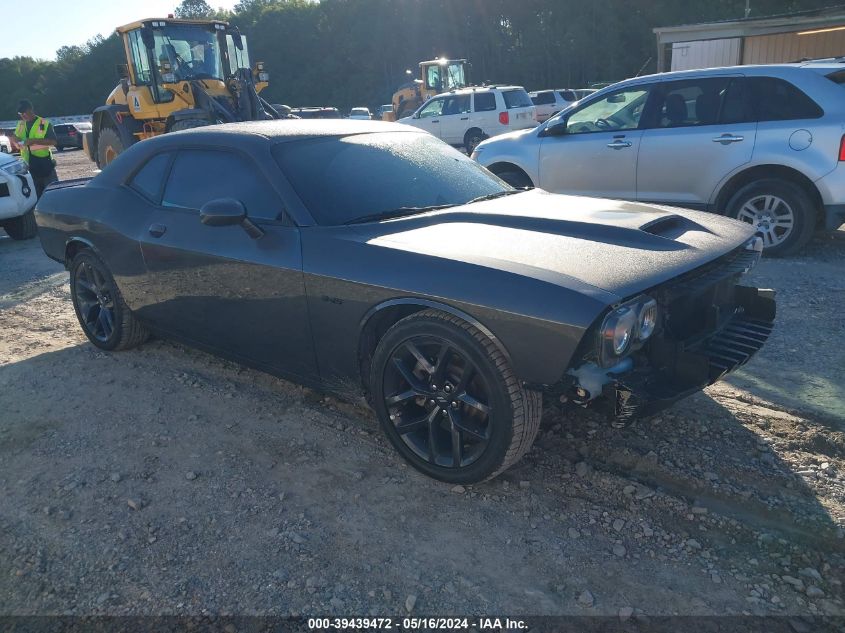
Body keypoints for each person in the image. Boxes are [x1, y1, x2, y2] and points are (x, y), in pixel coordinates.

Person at [14, 99, 57, 198]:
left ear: (31, 109)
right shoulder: (20, 125)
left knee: (52, 193)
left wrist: (34, 140)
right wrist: (15, 140)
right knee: (34, 196)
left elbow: (53, 141)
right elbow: (18, 142)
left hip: (45, 165)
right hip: (29, 166)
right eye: (20, 113)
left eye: (24, 112)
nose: (23, 115)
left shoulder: (44, 123)